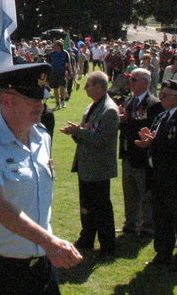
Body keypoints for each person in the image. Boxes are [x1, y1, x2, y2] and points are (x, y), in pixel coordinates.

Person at [0, 63, 83, 295]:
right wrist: (49, 241)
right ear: (7, 99)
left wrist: (45, 245)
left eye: (41, 98)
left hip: (40, 268)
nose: (40, 105)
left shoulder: (41, 136)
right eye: (31, 99)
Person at [135, 79, 177, 272]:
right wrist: (148, 144)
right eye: (161, 94)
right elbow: (156, 142)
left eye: (165, 95)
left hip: (176, 178)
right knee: (161, 219)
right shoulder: (161, 116)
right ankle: (162, 254)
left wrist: (154, 143)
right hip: (158, 177)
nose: (161, 98)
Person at [60, 71, 118, 256]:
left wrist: (79, 132)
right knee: (86, 205)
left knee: (101, 207)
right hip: (86, 164)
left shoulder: (108, 110)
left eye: (88, 85)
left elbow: (102, 139)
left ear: (100, 87)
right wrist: (76, 132)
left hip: (98, 167)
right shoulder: (91, 107)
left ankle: (107, 245)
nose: (85, 88)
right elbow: (88, 134)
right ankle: (87, 238)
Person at [117, 68, 162, 237]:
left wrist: (127, 121)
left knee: (145, 193)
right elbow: (123, 125)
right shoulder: (129, 101)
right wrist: (121, 120)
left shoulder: (154, 104)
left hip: (143, 155)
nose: (130, 83)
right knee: (129, 191)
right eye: (130, 79)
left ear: (145, 82)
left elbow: (151, 129)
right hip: (128, 153)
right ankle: (130, 223)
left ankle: (147, 226)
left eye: (134, 80)